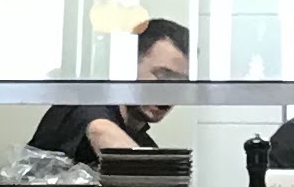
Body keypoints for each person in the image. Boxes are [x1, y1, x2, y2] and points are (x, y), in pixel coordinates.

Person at [30, 16, 188, 165]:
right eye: (162, 76)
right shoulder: (84, 104)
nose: (170, 91)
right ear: (128, 67)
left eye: (180, 82)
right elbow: (100, 131)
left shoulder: (142, 142)